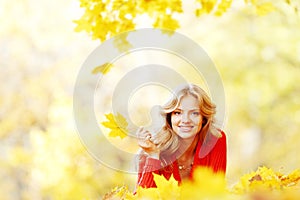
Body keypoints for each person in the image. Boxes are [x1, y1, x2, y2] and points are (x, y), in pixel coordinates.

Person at [136, 83, 227, 188]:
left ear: (204, 118)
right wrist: (153, 156)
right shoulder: (152, 147)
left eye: (194, 113)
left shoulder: (216, 140)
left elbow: (215, 193)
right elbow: (144, 196)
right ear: (169, 117)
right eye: (178, 113)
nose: (185, 120)